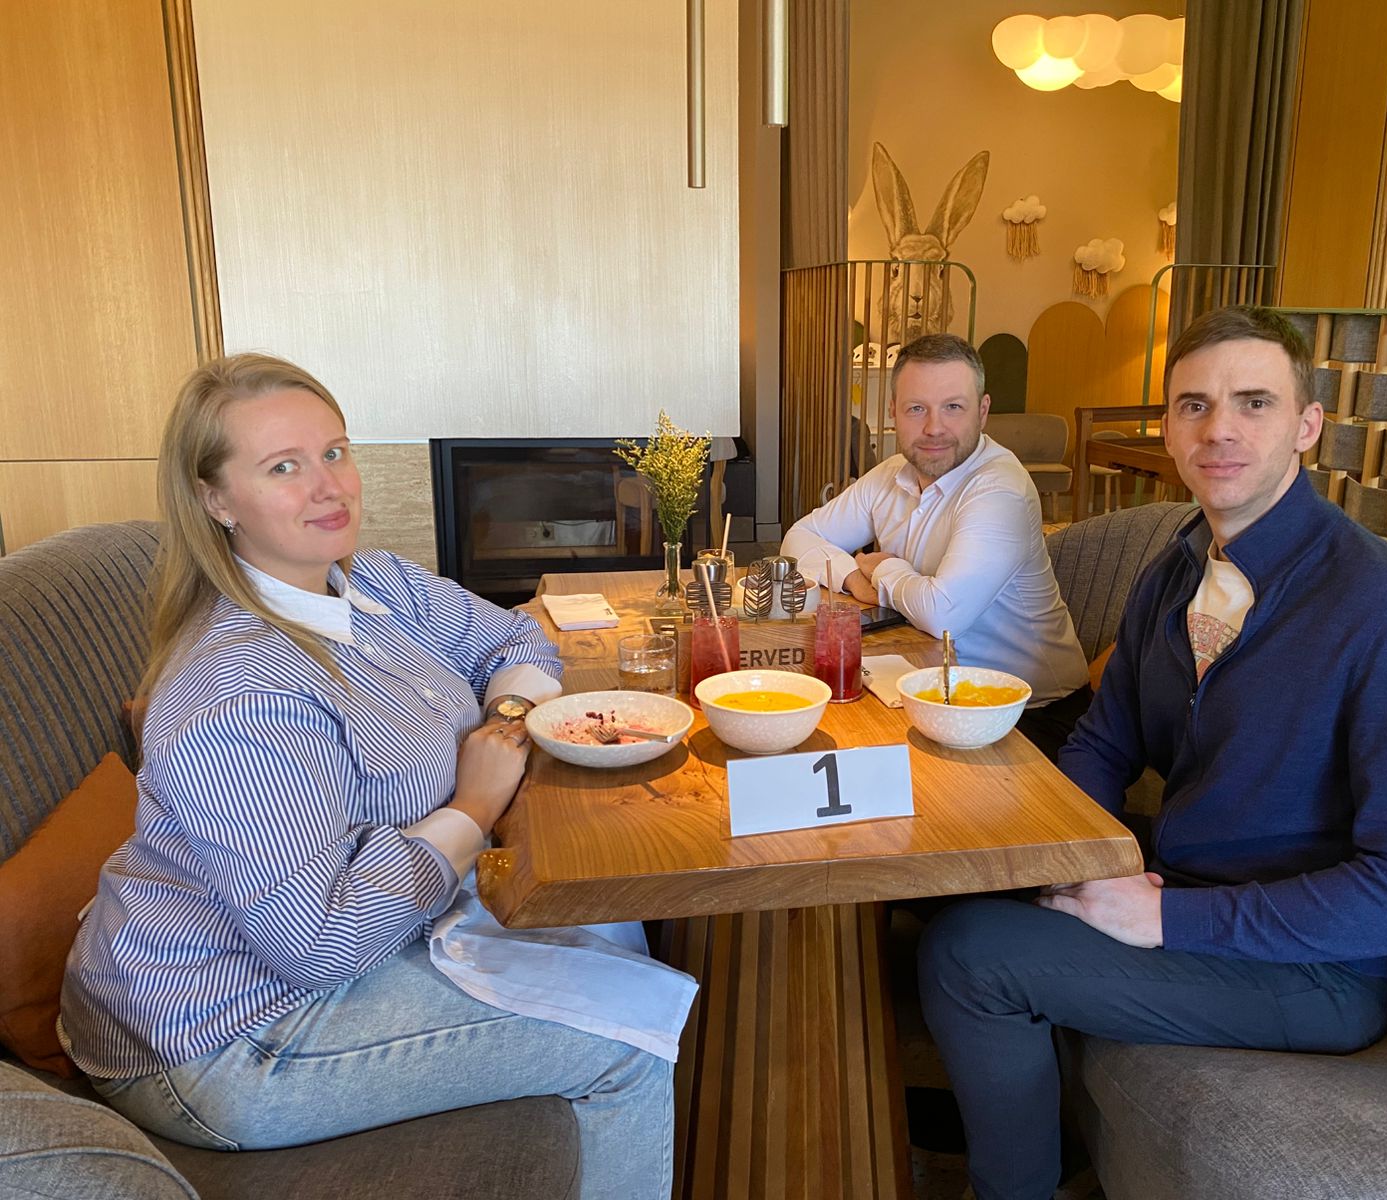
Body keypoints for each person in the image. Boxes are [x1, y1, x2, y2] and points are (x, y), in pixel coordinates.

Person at [59, 354, 674, 1199]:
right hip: (227, 1030)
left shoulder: (375, 584)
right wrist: (473, 806)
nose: (329, 486)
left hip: (361, 945)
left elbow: (515, 639)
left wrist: (503, 723)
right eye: (283, 467)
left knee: (610, 925)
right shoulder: (239, 694)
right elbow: (318, 942)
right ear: (216, 500)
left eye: (334, 452)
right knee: (630, 1035)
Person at [917, 307, 1387, 1200]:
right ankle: (1011, 1112)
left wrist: (1170, 920)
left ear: (1307, 425)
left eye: (1254, 402)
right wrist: (1057, 855)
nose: (1219, 429)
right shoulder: (1179, 569)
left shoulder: (1381, 604)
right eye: (1194, 405)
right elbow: (1105, 743)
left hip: (1317, 968)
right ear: (1170, 429)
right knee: (946, 875)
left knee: (969, 954)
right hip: (1186, 877)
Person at [781, 332, 1090, 759]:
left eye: (953, 407)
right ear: (893, 412)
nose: (934, 428)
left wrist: (883, 570)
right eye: (916, 409)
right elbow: (798, 538)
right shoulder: (891, 474)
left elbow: (943, 615)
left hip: (1031, 717)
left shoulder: (1000, 488)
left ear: (983, 411)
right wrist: (854, 577)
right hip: (931, 690)